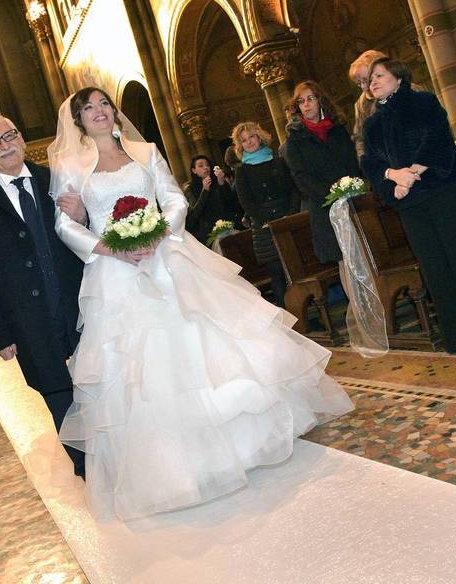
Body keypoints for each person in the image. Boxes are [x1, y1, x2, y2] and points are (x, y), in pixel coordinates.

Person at [48, 86, 353, 521]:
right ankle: (179, 466)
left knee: (209, 343)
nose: (97, 112)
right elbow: (64, 224)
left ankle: (245, 445)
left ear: (114, 112)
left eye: (103, 105)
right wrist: (112, 249)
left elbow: (173, 198)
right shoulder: (70, 166)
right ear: (78, 120)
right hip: (115, 271)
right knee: (144, 369)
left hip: (168, 255)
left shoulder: (144, 149)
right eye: (87, 109)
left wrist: (159, 233)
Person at [0, 115, 86, 478]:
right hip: (27, 317)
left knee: (97, 380)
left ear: (22, 139)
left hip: (78, 301)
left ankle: (118, 452)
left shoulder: (55, 180)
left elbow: (85, 232)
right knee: (56, 389)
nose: (4, 145)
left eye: (9, 135)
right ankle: (85, 466)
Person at [361, 58, 456, 354]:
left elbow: (437, 141)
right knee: (433, 267)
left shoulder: (423, 102)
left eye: (379, 75)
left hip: (442, 190)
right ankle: (455, 336)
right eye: (370, 79)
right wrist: (393, 176)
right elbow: (370, 162)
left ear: (398, 77)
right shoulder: (372, 123)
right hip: (410, 204)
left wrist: (411, 175)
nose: (373, 82)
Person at [283, 80, 362, 264]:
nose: (306, 104)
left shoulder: (337, 128)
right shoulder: (295, 138)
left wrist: (351, 186)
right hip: (324, 205)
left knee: (364, 251)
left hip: (352, 198)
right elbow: (300, 177)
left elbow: (351, 161)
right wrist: (331, 194)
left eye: (310, 98)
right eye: (301, 101)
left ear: (320, 100)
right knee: (342, 259)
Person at [231, 121, 299, 307]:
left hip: (287, 219)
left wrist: (291, 214)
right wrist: (263, 220)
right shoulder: (242, 171)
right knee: (277, 274)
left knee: (296, 270)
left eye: (251, 137)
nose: (249, 142)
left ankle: (306, 314)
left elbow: (293, 190)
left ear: (259, 137)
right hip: (263, 226)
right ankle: (289, 321)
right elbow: (246, 202)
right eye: (244, 140)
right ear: (240, 145)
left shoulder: (278, 161)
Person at [184, 154, 242, 244]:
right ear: (194, 170)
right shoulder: (190, 189)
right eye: (200, 165)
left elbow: (231, 203)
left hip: (229, 226)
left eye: (207, 165)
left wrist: (222, 184)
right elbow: (193, 215)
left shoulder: (217, 181)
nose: (206, 167)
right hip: (208, 234)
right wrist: (204, 191)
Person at [348, 49, 387, 157]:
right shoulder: (361, 104)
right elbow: (360, 139)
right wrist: (365, 162)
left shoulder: (410, 90)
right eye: (359, 83)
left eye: (366, 80)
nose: (364, 87)